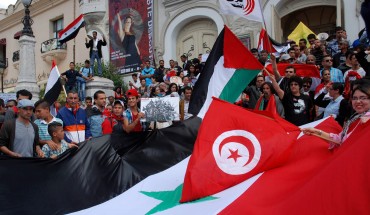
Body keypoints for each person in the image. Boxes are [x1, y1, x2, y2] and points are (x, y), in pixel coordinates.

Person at [302, 81, 370, 149]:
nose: (358, 101)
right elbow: (340, 140)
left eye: (363, 98)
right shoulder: (355, 117)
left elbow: (343, 117)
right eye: (355, 98)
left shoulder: (343, 102)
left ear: (337, 91)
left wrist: (336, 116)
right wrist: (316, 132)